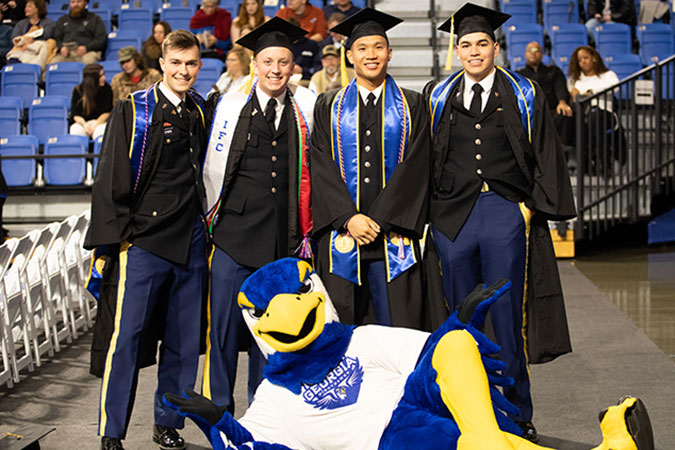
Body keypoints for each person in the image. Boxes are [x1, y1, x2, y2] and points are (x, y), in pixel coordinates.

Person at [425, 3, 576, 442]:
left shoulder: (524, 92)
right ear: (458, 50)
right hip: (453, 217)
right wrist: (430, 216)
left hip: (505, 212)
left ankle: (514, 413)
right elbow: (424, 159)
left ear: (495, 46)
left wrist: (531, 207)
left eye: (482, 44)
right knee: (460, 321)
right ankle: (465, 411)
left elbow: (546, 153)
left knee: (508, 317)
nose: (474, 52)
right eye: (466, 45)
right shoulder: (438, 95)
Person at [84, 29, 208, 450]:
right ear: (162, 65)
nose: (183, 71)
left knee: (183, 341)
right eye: (176, 63)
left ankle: (167, 423)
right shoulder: (131, 110)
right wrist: (118, 242)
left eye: (191, 64)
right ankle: (111, 430)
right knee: (126, 341)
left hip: (191, 240)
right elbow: (112, 178)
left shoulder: (202, 111)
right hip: (143, 241)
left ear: (198, 65)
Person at [199, 17, 316, 415]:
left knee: (270, 335)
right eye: (268, 61)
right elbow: (211, 170)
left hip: (279, 240)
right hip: (233, 236)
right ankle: (219, 409)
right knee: (224, 333)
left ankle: (263, 411)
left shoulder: (305, 108)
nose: (276, 70)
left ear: (292, 66)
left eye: (283, 62)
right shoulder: (231, 106)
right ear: (255, 64)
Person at [311, 9, 430, 329]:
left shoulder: (413, 105)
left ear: (390, 53)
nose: (371, 55)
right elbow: (320, 165)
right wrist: (350, 217)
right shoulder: (327, 106)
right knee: (343, 336)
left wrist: (377, 220)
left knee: (398, 334)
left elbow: (416, 169)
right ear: (349, 55)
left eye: (378, 47)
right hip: (343, 238)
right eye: (362, 48)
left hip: (393, 239)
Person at [567, 45, 623, 175]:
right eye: (580, 60)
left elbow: (615, 87)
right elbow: (574, 97)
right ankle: (589, 161)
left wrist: (592, 92)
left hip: (605, 115)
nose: (583, 62)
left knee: (594, 117)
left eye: (585, 58)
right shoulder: (575, 80)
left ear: (594, 58)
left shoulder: (608, 75)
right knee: (578, 120)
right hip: (583, 116)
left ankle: (601, 160)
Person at [517, 41, 574, 148]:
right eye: (530, 50)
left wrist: (562, 102)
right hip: (529, 113)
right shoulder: (518, 75)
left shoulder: (554, 71)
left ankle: (562, 151)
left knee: (564, 114)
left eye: (536, 50)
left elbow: (560, 88)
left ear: (542, 54)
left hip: (551, 111)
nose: (533, 53)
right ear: (525, 54)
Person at [48, 0, 106, 65]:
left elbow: (101, 39)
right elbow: (57, 39)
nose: (76, 5)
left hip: (88, 53)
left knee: (88, 63)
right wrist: (61, 48)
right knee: (53, 64)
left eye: (79, 1)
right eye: (73, 2)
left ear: (85, 3)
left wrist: (87, 48)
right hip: (67, 54)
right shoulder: (62, 20)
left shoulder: (95, 19)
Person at [70, 63, 112, 140]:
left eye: (103, 75)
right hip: (83, 123)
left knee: (101, 132)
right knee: (75, 130)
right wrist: (85, 125)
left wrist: (94, 125)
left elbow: (107, 112)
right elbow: (75, 115)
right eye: (100, 76)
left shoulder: (107, 89)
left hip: (99, 122)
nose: (104, 78)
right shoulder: (78, 91)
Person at [6, 0, 53, 67]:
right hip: (21, 50)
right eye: (25, 7)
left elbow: (46, 36)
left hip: (36, 52)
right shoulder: (21, 23)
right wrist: (25, 43)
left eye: (29, 7)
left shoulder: (48, 23)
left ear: (38, 9)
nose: (26, 9)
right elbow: (15, 38)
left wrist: (29, 45)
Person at [287, 16, 321, 82]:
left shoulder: (311, 45)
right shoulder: (280, 45)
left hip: (306, 80)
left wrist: (303, 70)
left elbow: (318, 69)